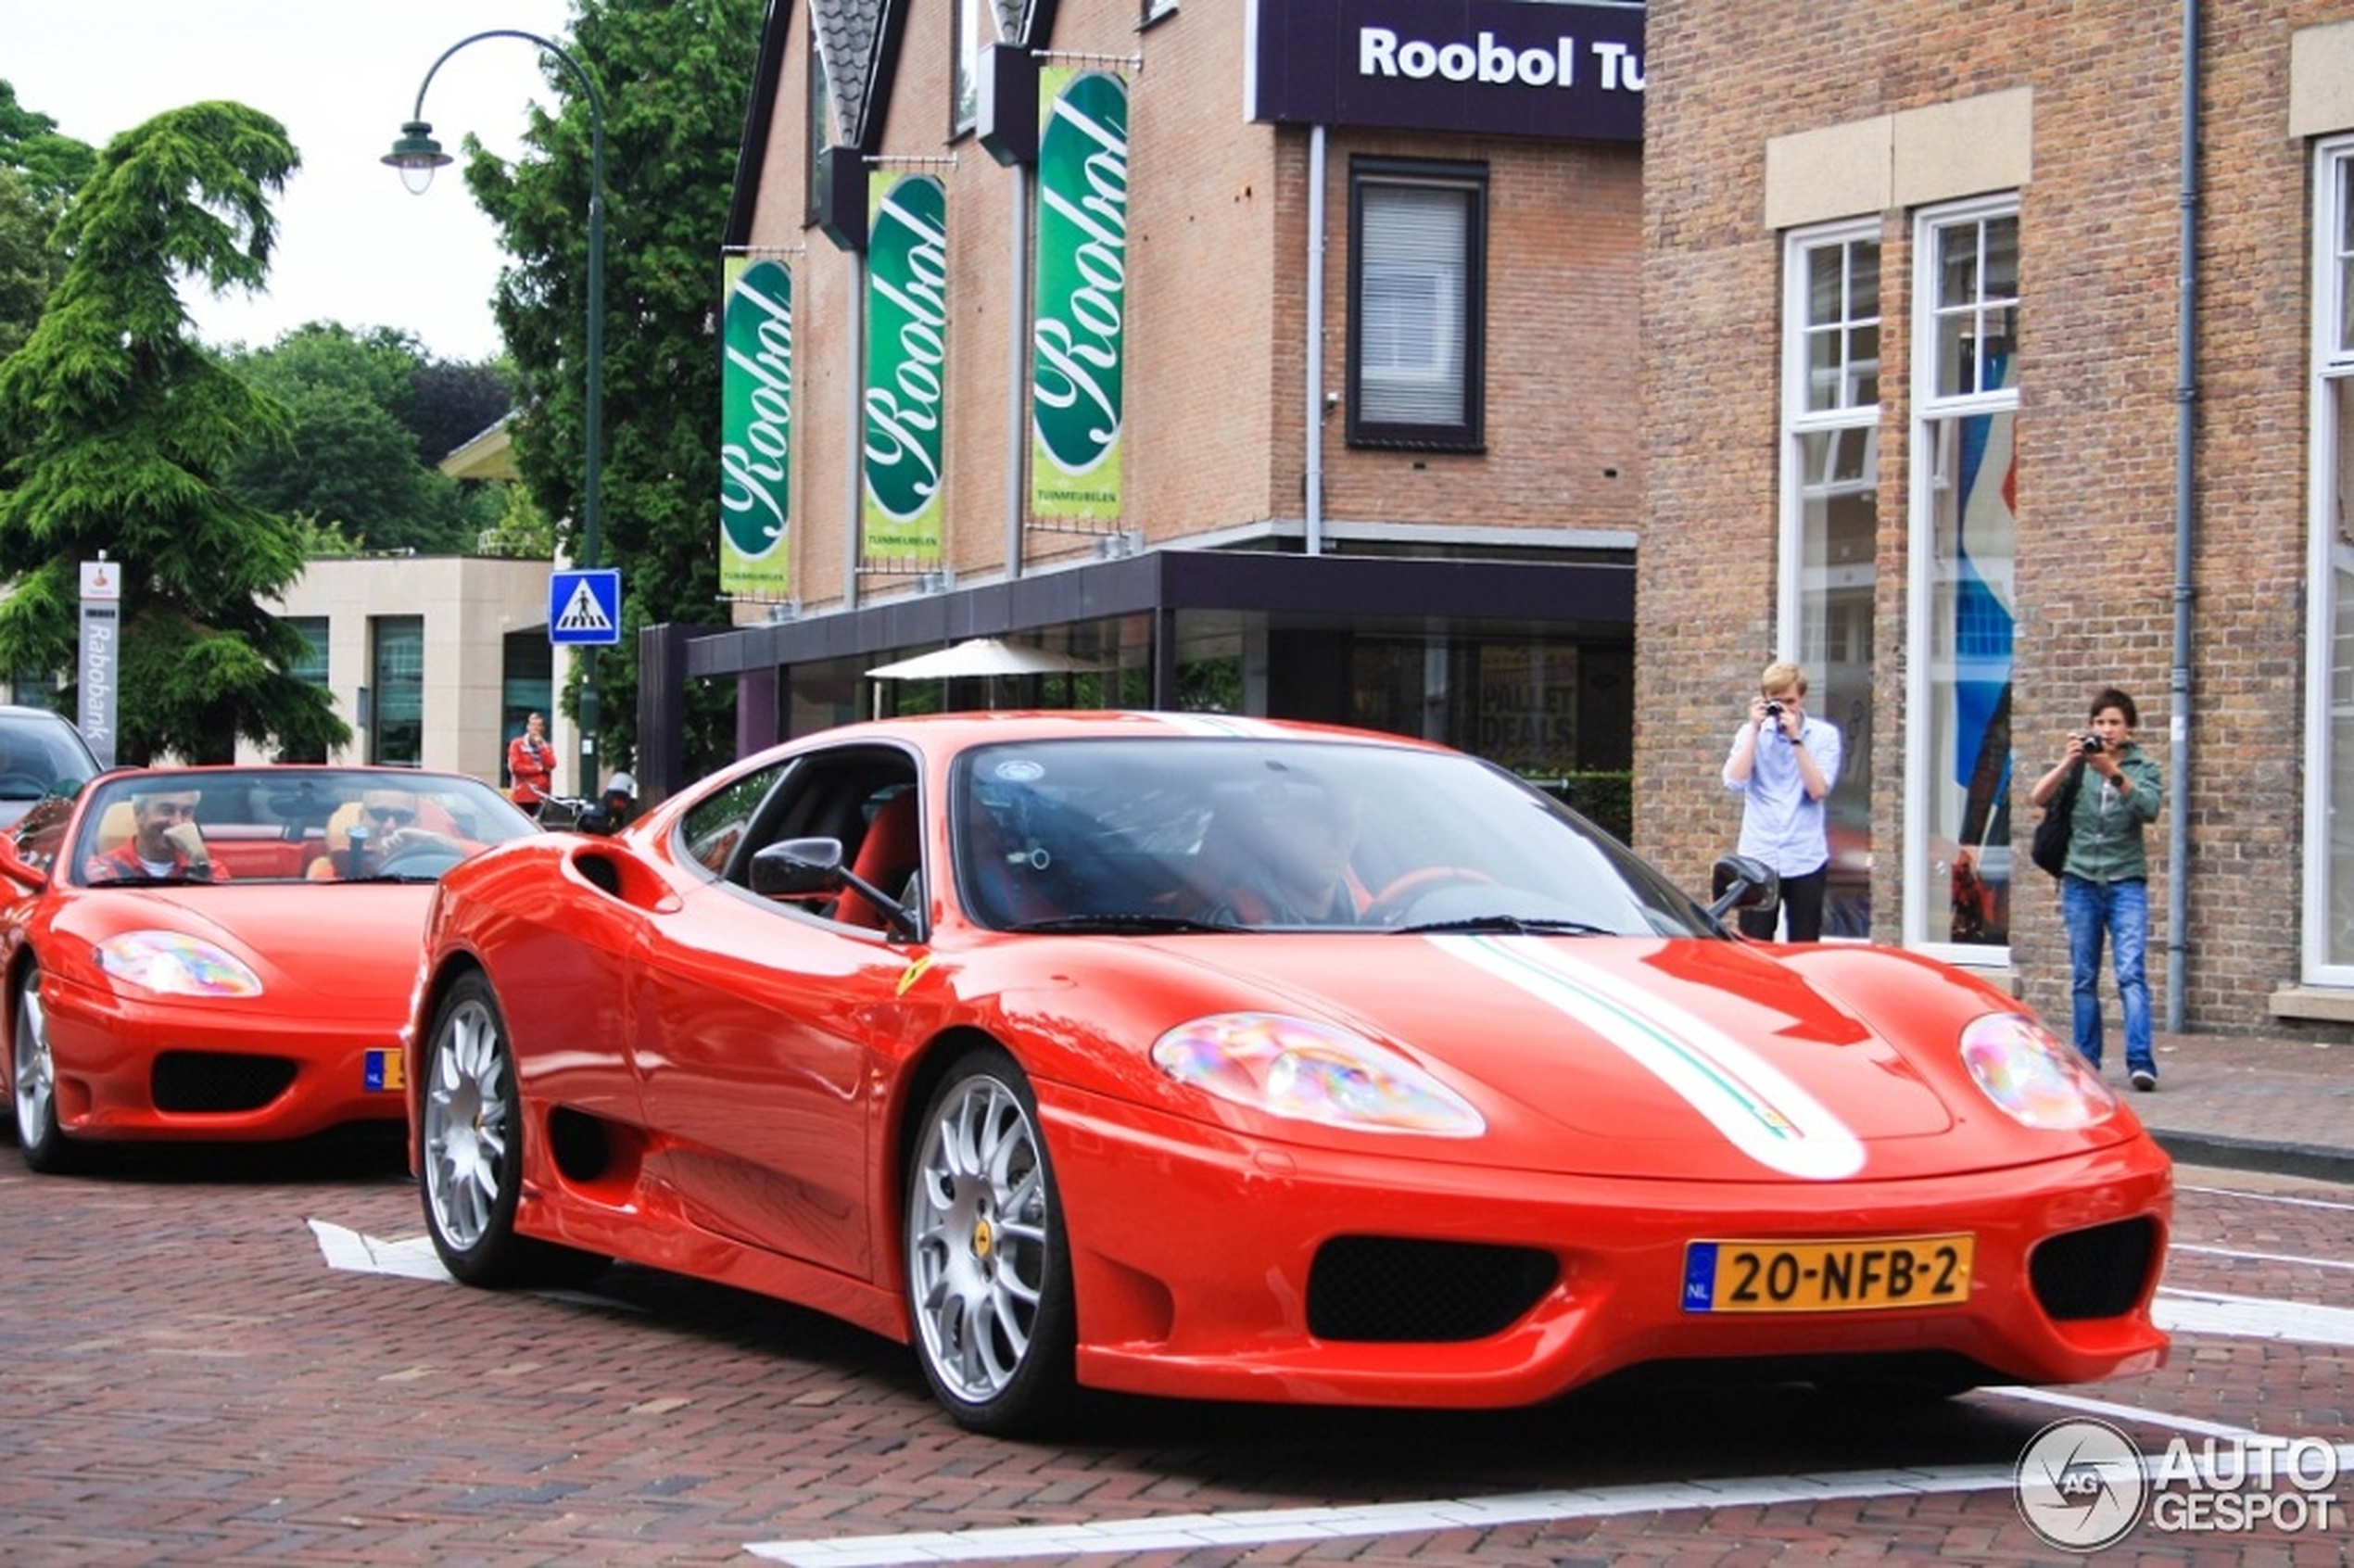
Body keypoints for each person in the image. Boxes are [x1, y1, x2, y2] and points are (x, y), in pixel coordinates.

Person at [2029, 686, 2163, 1091]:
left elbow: (2149, 809)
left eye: (2115, 723)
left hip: (2125, 882)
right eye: (2100, 722)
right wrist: (2069, 762)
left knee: (2130, 973)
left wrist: (2113, 773)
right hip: (2080, 880)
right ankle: (2087, 1061)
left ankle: (2141, 1063)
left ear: (2129, 728)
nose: (2106, 730)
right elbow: (2038, 797)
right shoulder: (2080, 765)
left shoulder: (2143, 766)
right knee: (2084, 975)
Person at [1721, 659, 1844, 941]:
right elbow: (1734, 781)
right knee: (1754, 946)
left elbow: (1817, 791)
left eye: (1790, 701)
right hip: (1759, 856)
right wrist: (1754, 728)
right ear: (1764, 700)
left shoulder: (1824, 736)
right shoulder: (1750, 734)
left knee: (1805, 945)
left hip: (1804, 856)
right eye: (1776, 702)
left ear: (1802, 698)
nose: (1784, 708)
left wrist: (1796, 740)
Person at [1202, 778, 1364, 926]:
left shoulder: (1375, 918)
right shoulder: (1232, 922)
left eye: (1348, 825)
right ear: (1284, 828)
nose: (1339, 840)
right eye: (1325, 823)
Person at [308, 789, 469, 879]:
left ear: (417, 823)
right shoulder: (330, 874)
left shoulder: (447, 870)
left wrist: (437, 841)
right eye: (379, 814)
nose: (390, 826)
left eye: (403, 817)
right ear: (361, 817)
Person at [83, 789, 223, 882]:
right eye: (167, 810)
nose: (177, 822)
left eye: (187, 812)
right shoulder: (103, 869)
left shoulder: (212, 869)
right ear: (139, 815)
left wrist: (198, 859)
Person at [507, 712, 554, 809]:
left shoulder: (546, 746)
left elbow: (551, 765)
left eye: (539, 725)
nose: (535, 728)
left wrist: (541, 747)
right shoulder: (517, 744)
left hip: (542, 793)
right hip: (523, 793)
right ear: (528, 727)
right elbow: (516, 767)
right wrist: (539, 769)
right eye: (533, 725)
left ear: (543, 728)